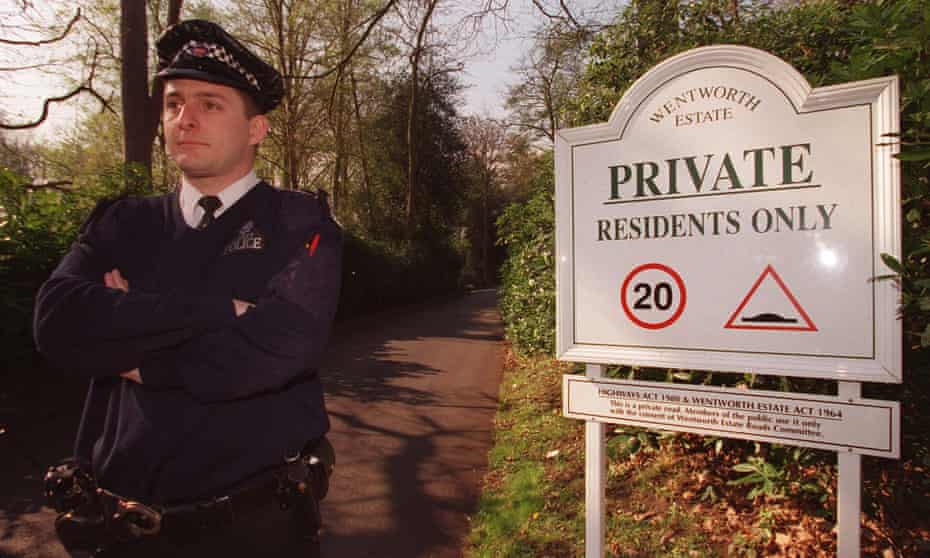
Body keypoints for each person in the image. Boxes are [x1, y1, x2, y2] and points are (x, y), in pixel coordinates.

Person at [34, 19, 340, 558]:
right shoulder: (123, 223)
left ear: (256, 129)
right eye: (174, 103)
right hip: (118, 525)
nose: (185, 118)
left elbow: (274, 349)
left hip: (253, 529)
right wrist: (219, 310)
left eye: (210, 103)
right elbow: (56, 321)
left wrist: (130, 343)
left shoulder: (300, 225)